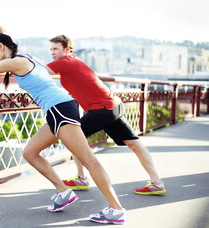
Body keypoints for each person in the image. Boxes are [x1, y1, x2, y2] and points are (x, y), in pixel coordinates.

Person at [0, 33, 126, 224]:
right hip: (58, 109)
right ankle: (63, 192)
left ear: (1, 46)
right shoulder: (26, 57)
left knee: (89, 159)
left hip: (59, 109)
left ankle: (116, 209)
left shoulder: (15, 62)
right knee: (30, 153)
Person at [42, 35, 166, 196]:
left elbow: (39, 71)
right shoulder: (73, 61)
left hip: (103, 109)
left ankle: (81, 178)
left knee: (72, 137)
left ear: (67, 49)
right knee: (134, 144)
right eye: (51, 49)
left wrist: (16, 62)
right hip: (112, 105)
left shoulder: (65, 62)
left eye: (56, 49)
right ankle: (157, 182)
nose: (52, 52)